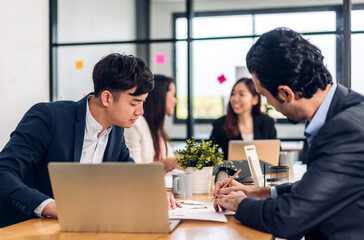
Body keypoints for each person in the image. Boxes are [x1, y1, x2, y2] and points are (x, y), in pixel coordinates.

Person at [213, 28, 364, 240]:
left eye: (265, 95)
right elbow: (320, 184)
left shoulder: (345, 130)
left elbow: (288, 219)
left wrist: (241, 203)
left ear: (285, 93)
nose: (269, 104)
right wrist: (256, 192)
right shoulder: (347, 107)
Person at [0, 53, 180, 228]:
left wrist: (151, 192)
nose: (140, 112)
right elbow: (4, 172)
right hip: (26, 226)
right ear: (107, 97)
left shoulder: (116, 130)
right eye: (134, 103)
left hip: (82, 227)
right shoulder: (50, 118)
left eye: (143, 103)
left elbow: (130, 176)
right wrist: (50, 206)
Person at [124, 74, 179, 171]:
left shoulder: (158, 129)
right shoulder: (135, 124)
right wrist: (166, 164)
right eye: (173, 95)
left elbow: (173, 163)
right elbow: (133, 169)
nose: (175, 101)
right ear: (160, 96)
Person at [209, 77, 276, 156]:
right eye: (233, 94)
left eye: (241, 94)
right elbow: (210, 153)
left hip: (263, 168)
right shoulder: (220, 124)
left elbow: (276, 152)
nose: (235, 99)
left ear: (255, 99)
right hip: (232, 168)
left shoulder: (267, 122)